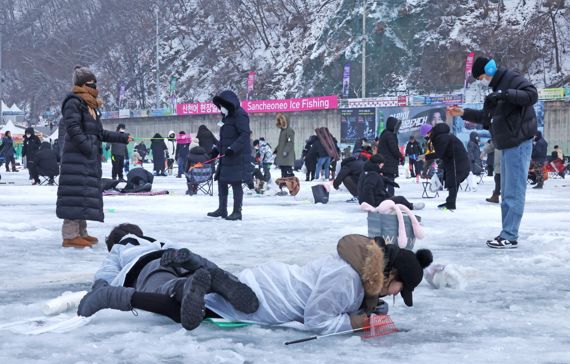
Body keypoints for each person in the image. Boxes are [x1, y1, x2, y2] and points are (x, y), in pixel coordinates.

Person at [78, 229, 433, 334]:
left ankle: (205, 273)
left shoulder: (353, 269)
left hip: (268, 282)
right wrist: (360, 321)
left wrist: (368, 307)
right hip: (270, 299)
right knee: (189, 310)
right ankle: (115, 296)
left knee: (217, 293)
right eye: (403, 288)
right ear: (390, 276)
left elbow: (344, 299)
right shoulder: (347, 280)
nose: (400, 295)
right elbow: (318, 319)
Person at [76, 223, 260, 330]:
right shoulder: (159, 242)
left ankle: (182, 287)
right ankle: (202, 270)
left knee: (163, 288)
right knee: (195, 273)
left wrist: (100, 286)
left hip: (147, 265)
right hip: (173, 257)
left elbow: (107, 271)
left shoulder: (122, 247)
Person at [448, 56, 538, 248]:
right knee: (506, 192)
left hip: (518, 142)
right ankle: (506, 232)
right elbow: (485, 117)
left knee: (514, 191)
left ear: (489, 71)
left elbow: (531, 95)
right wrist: (463, 113)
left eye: (481, 77)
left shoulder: (511, 79)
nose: (482, 81)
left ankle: (510, 235)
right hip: (506, 144)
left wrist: (505, 94)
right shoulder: (495, 89)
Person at [56, 66, 131, 248]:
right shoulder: (73, 102)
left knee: (83, 195)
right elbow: (73, 128)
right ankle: (70, 235)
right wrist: (88, 147)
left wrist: (121, 137)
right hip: (78, 157)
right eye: (91, 83)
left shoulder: (90, 104)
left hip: (86, 158)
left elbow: (98, 133)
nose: (94, 86)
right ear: (82, 84)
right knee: (74, 195)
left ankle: (81, 232)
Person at [207, 90, 252, 221]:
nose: (220, 108)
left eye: (222, 105)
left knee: (236, 183)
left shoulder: (241, 115)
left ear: (229, 104)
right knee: (222, 182)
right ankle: (222, 209)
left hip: (237, 157)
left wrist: (233, 148)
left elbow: (245, 135)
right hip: (226, 157)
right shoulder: (226, 118)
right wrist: (216, 149)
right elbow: (225, 137)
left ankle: (237, 211)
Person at [424, 123, 469, 210]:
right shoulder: (441, 136)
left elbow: (439, 153)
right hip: (454, 161)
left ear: (430, 132)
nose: (426, 137)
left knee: (453, 181)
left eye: (426, 134)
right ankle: (450, 202)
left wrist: (425, 157)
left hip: (457, 162)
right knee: (451, 181)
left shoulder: (441, 137)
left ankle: (451, 204)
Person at [357, 154, 424, 210]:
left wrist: (390, 182)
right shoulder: (373, 174)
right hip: (375, 202)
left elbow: (379, 178)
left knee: (391, 197)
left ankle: (404, 206)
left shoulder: (366, 172)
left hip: (366, 200)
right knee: (400, 198)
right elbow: (368, 188)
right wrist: (371, 205)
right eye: (382, 163)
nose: (383, 165)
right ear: (378, 164)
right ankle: (412, 206)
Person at [377, 117, 403, 196]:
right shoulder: (390, 135)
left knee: (386, 181)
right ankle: (391, 198)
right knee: (390, 182)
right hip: (389, 162)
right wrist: (401, 156)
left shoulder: (385, 133)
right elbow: (394, 149)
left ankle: (381, 197)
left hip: (385, 161)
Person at [274, 113, 296, 178]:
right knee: (283, 171)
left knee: (288, 172)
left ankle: (291, 184)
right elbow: (281, 143)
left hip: (287, 156)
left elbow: (290, 142)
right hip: (282, 156)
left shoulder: (289, 130)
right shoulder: (282, 131)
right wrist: (276, 149)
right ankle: (284, 183)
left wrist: (286, 151)